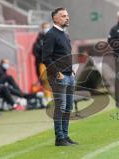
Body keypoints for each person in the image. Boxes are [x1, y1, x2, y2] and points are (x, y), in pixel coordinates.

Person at [43, 7, 77, 146]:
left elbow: (66, 55)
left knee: (68, 107)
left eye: (67, 15)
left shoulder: (65, 34)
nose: (67, 18)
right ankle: (59, 137)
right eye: (63, 16)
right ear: (55, 18)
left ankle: (65, 135)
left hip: (69, 75)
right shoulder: (51, 34)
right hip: (59, 77)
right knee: (60, 106)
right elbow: (46, 58)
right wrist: (58, 72)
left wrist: (71, 69)